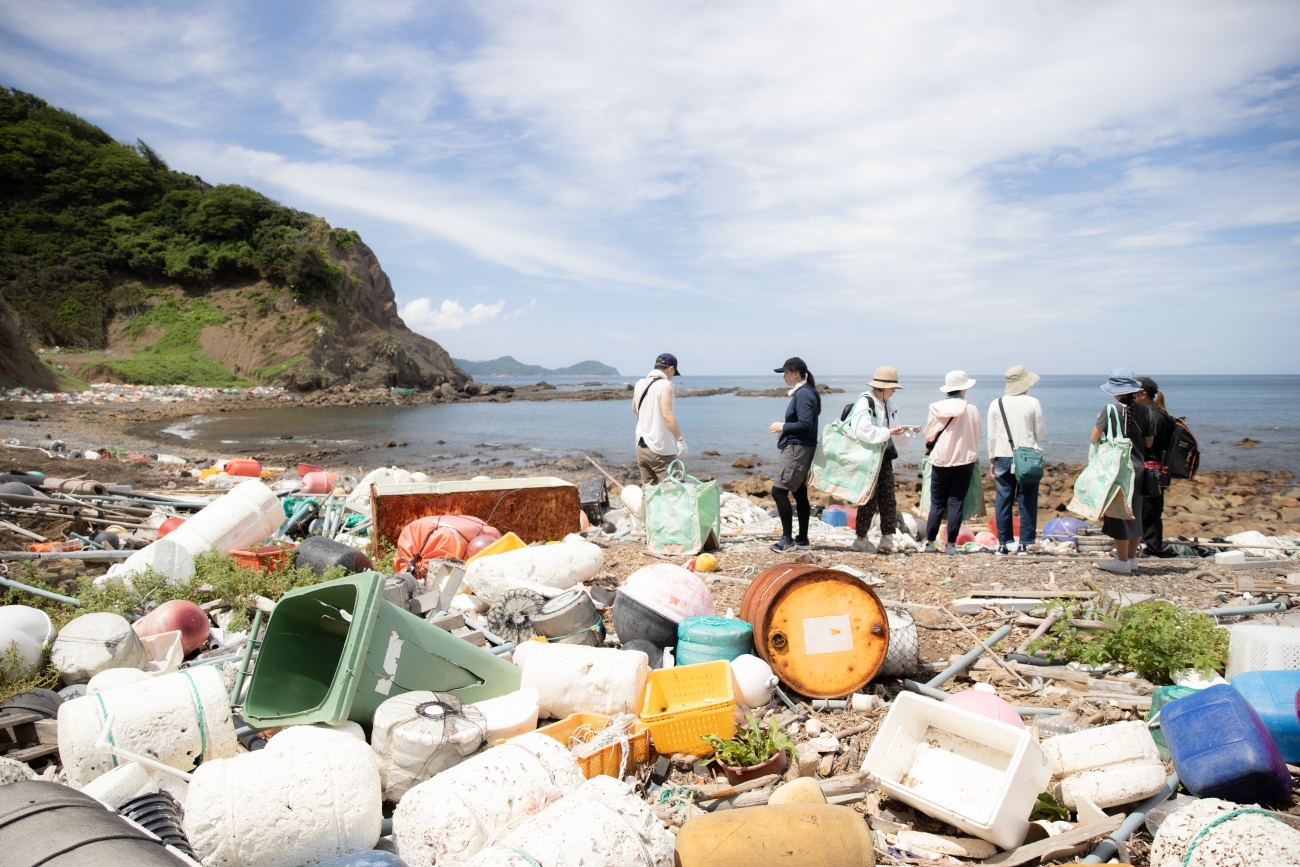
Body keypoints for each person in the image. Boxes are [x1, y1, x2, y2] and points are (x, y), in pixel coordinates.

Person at [1092, 368, 1154, 575]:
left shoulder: (1110, 410)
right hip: (1139, 468)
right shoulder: (1146, 411)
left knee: (1119, 514)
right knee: (1135, 513)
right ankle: (1131, 558)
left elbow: (1093, 438)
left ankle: (1121, 561)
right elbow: (1148, 442)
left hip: (1117, 469)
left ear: (1115, 391)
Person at [987, 365, 1047, 556]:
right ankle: (1024, 544)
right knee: (1027, 498)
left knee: (1003, 499)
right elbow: (1041, 433)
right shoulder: (1032, 402)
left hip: (1002, 456)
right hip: (1028, 456)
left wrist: (992, 459)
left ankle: (1003, 544)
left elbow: (991, 436)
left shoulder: (996, 403)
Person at [848, 366, 907, 553]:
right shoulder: (865, 402)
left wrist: (907, 432)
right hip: (868, 458)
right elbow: (861, 431)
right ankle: (860, 539)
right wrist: (888, 432)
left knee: (889, 498)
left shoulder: (889, 405)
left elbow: (895, 432)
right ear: (882, 387)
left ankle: (887, 537)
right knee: (868, 499)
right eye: (892, 388)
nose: (894, 391)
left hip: (885, 457)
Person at [923, 371, 982, 554]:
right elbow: (976, 434)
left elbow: (929, 434)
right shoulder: (971, 409)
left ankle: (929, 543)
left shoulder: (935, 408)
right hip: (964, 460)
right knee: (956, 502)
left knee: (937, 503)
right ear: (963, 389)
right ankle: (950, 545)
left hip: (941, 459)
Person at [768, 357, 821, 553]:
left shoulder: (804, 393)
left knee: (779, 491)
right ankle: (802, 539)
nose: (784, 376)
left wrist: (783, 427)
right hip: (803, 447)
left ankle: (787, 540)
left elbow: (806, 424)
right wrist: (786, 431)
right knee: (799, 492)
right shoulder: (807, 392)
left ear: (795, 373)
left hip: (797, 449)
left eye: (785, 373)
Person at [631, 353, 686, 485]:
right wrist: (680, 440)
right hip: (660, 447)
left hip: (641, 445)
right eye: (674, 373)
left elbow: (635, 409)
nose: (672, 376)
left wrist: (649, 416)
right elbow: (667, 415)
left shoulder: (639, 384)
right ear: (670, 369)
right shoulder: (665, 385)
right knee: (675, 489)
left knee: (649, 490)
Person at [1136, 375, 1175, 557]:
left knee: (1149, 511)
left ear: (1143, 394)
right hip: (1152, 468)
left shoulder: (1156, 415)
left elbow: (1148, 442)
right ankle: (1150, 544)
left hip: (1153, 469)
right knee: (1147, 509)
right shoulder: (1155, 413)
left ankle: (1154, 548)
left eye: (1134, 393)